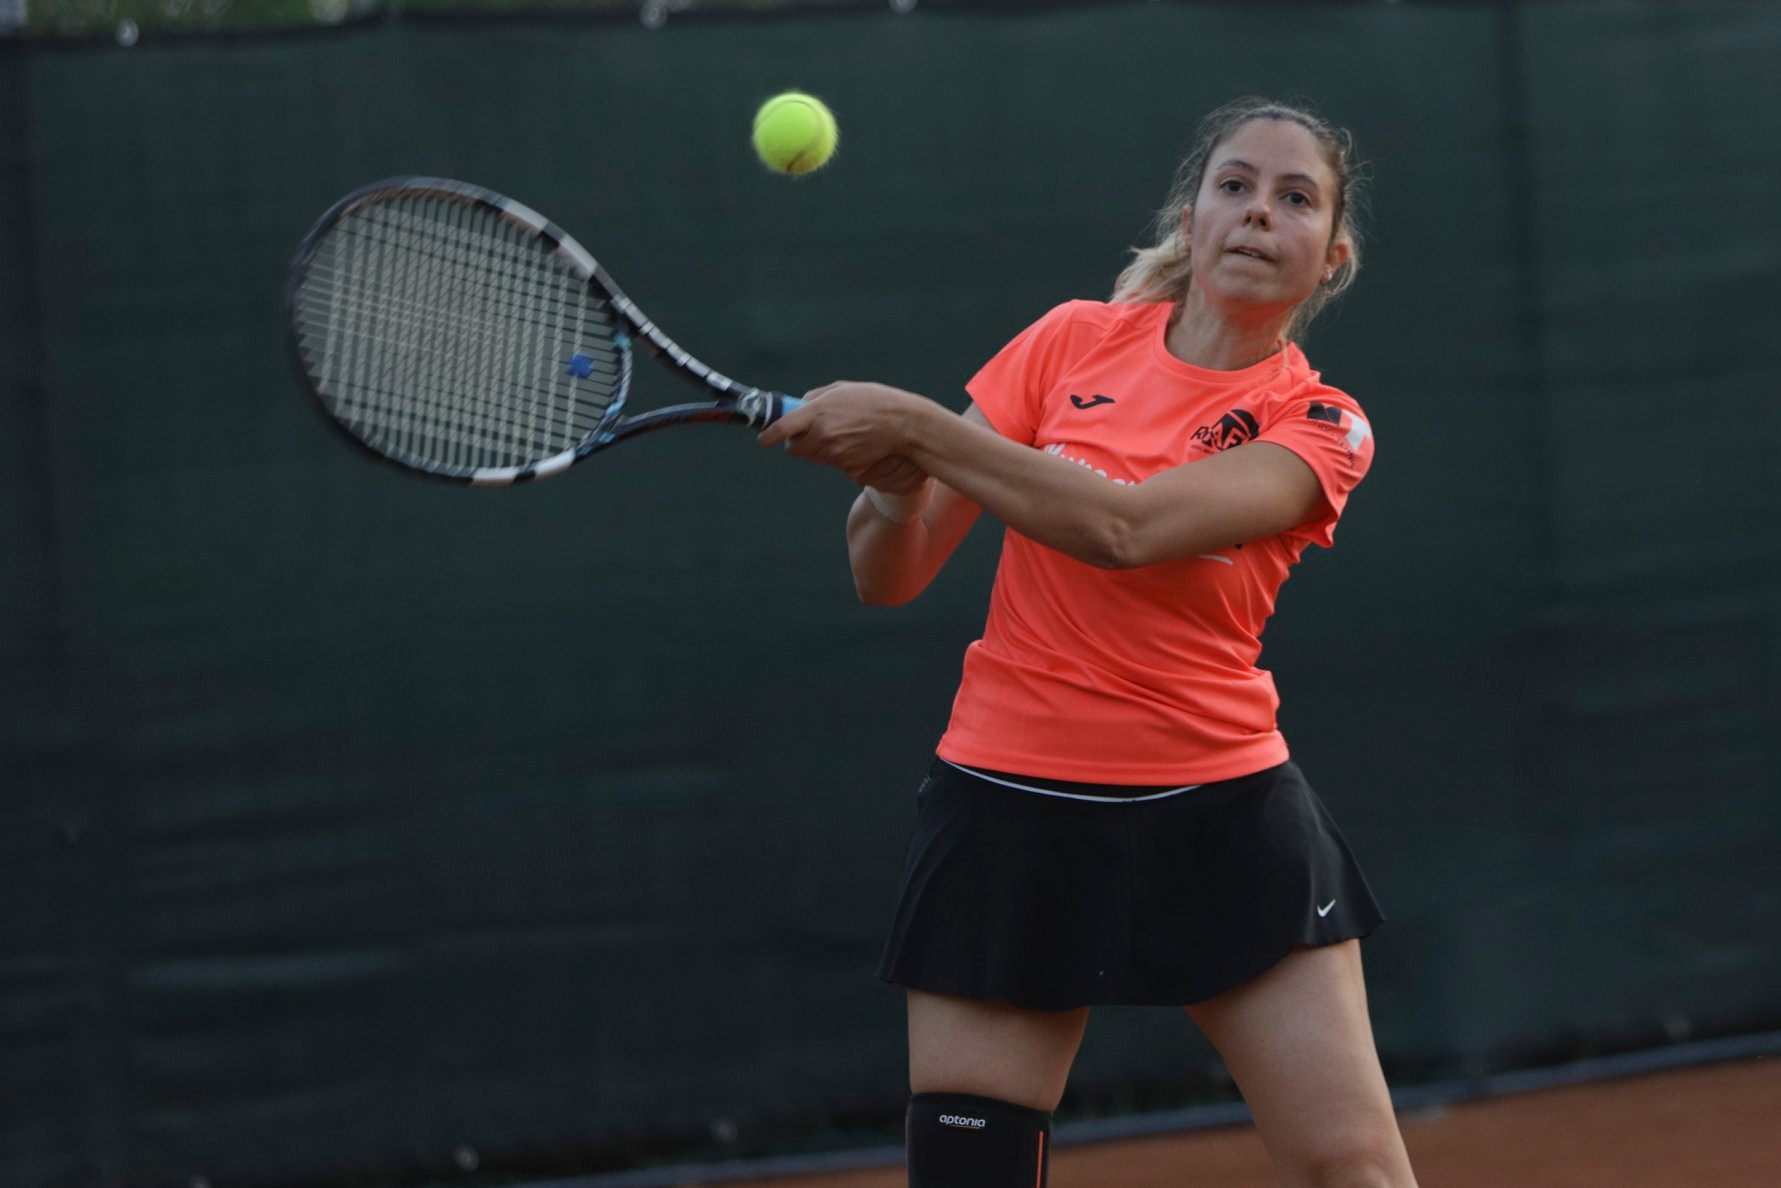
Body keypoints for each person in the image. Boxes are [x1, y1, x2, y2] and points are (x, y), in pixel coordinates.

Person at [759, 96, 1417, 1188]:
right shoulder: (1067, 342)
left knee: (1353, 1172)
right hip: (1007, 802)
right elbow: (890, 573)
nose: (1259, 212)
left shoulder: (1322, 425)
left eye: (1293, 198)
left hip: (1221, 814)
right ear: (1191, 216)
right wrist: (890, 486)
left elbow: (1128, 530)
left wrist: (918, 429)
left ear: (1329, 258)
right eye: (1235, 186)